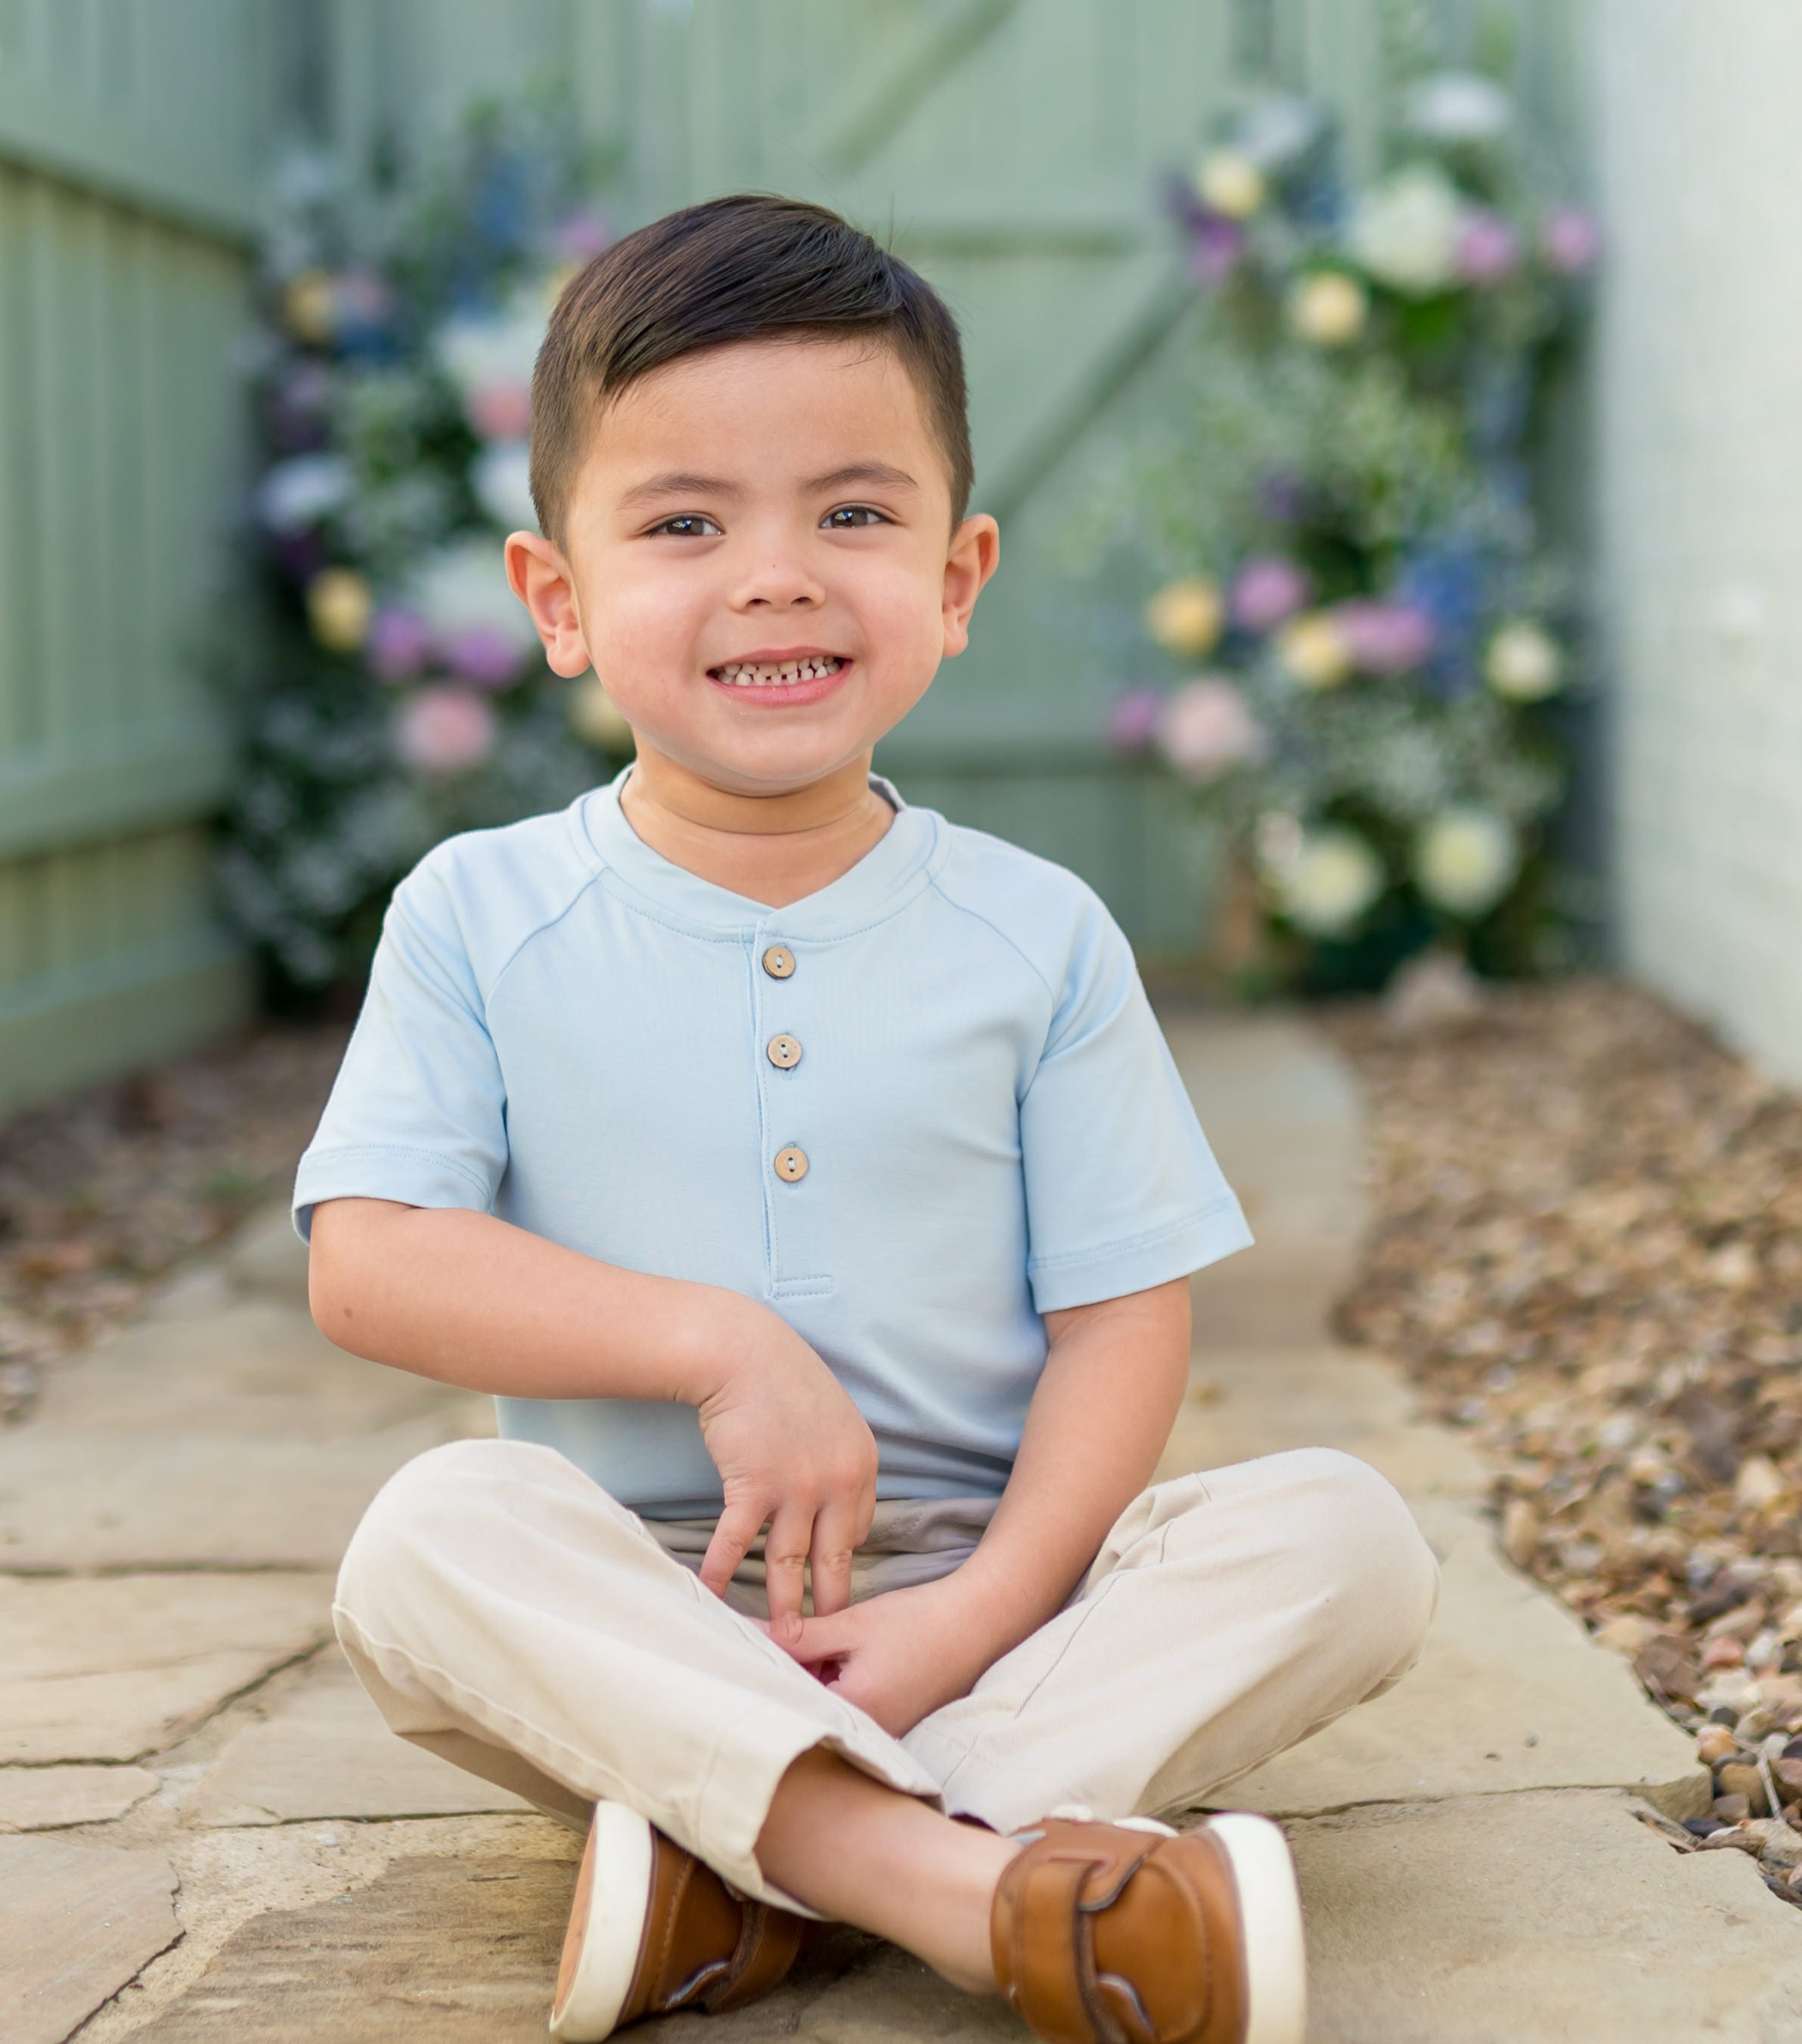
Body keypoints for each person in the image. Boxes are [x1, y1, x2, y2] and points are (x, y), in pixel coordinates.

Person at [299, 194, 1439, 2044]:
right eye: (683, 522)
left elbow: (1117, 1315)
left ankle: (744, 1856)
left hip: (996, 1599)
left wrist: (972, 1611)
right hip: (651, 1610)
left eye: (852, 511)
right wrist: (712, 1340)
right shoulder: (477, 915)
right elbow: (369, 1262)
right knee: (433, 1534)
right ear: (557, 601)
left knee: (1345, 1531)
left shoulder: (1034, 933)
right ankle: (981, 1881)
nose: (776, 574)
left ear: (957, 578)